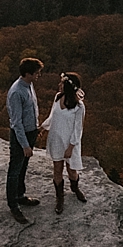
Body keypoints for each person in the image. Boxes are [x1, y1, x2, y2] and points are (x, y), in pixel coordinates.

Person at [40, 71, 87, 214]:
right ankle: (59, 198)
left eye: (61, 83)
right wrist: (42, 127)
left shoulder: (79, 107)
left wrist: (71, 147)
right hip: (56, 139)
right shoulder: (57, 97)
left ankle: (75, 187)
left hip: (69, 142)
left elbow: (78, 129)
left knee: (72, 170)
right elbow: (52, 117)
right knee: (57, 169)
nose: (59, 85)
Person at [5, 57, 43, 224]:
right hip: (21, 136)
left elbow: (32, 109)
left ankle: (20, 195)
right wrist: (25, 145)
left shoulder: (29, 85)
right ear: (27, 74)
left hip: (31, 132)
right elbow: (16, 122)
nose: (38, 76)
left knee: (23, 167)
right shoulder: (16, 92)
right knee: (15, 170)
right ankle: (13, 205)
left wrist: (36, 128)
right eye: (36, 73)